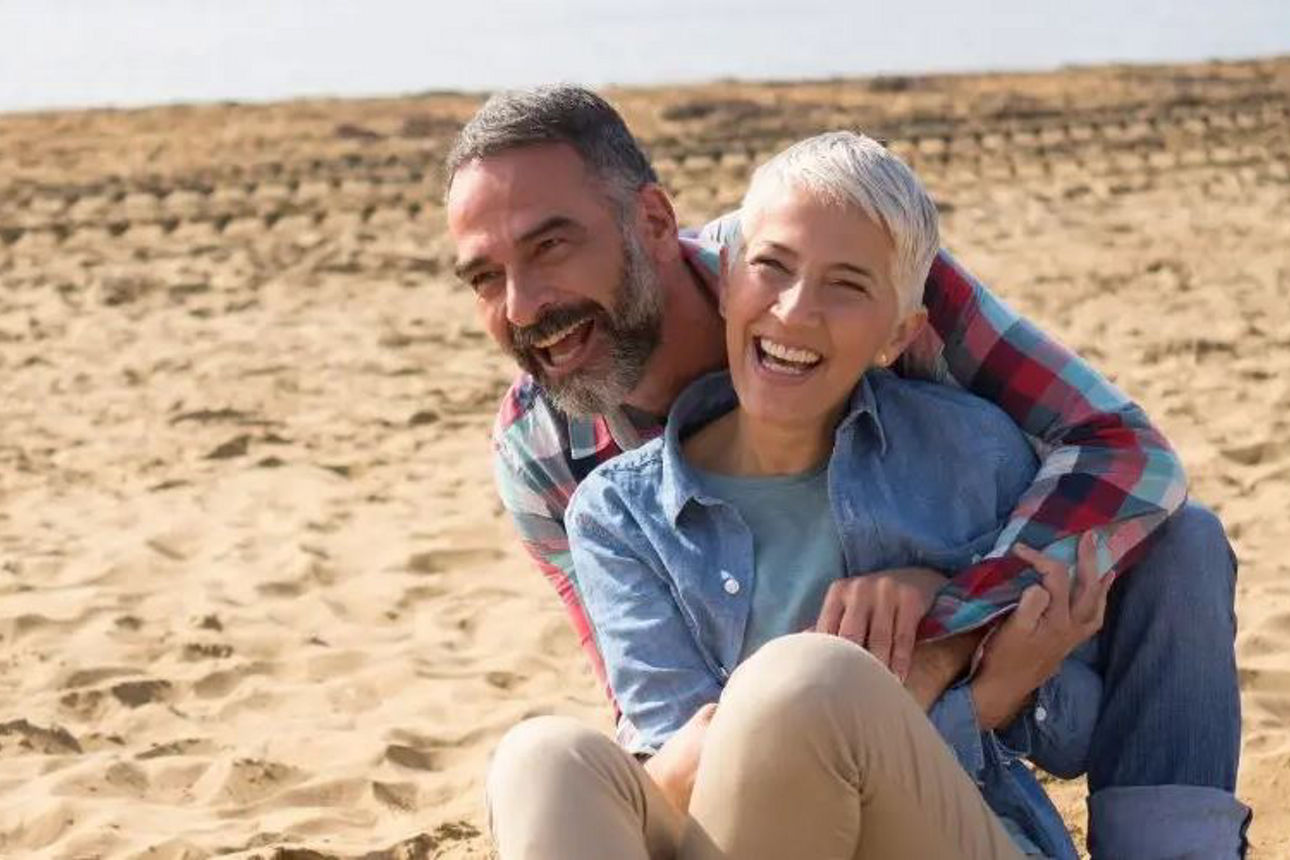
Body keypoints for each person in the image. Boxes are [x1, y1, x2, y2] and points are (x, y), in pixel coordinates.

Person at [444, 85, 1248, 857]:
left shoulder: (850, 255)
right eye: (485, 276)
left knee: (1181, 541)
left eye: (552, 245)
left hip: (938, 800)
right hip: (757, 801)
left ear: (656, 221)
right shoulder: (563, 473)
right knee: (543, 757)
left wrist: (952, 608)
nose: (520, 307)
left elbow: (1118, 452)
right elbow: (653, 724)